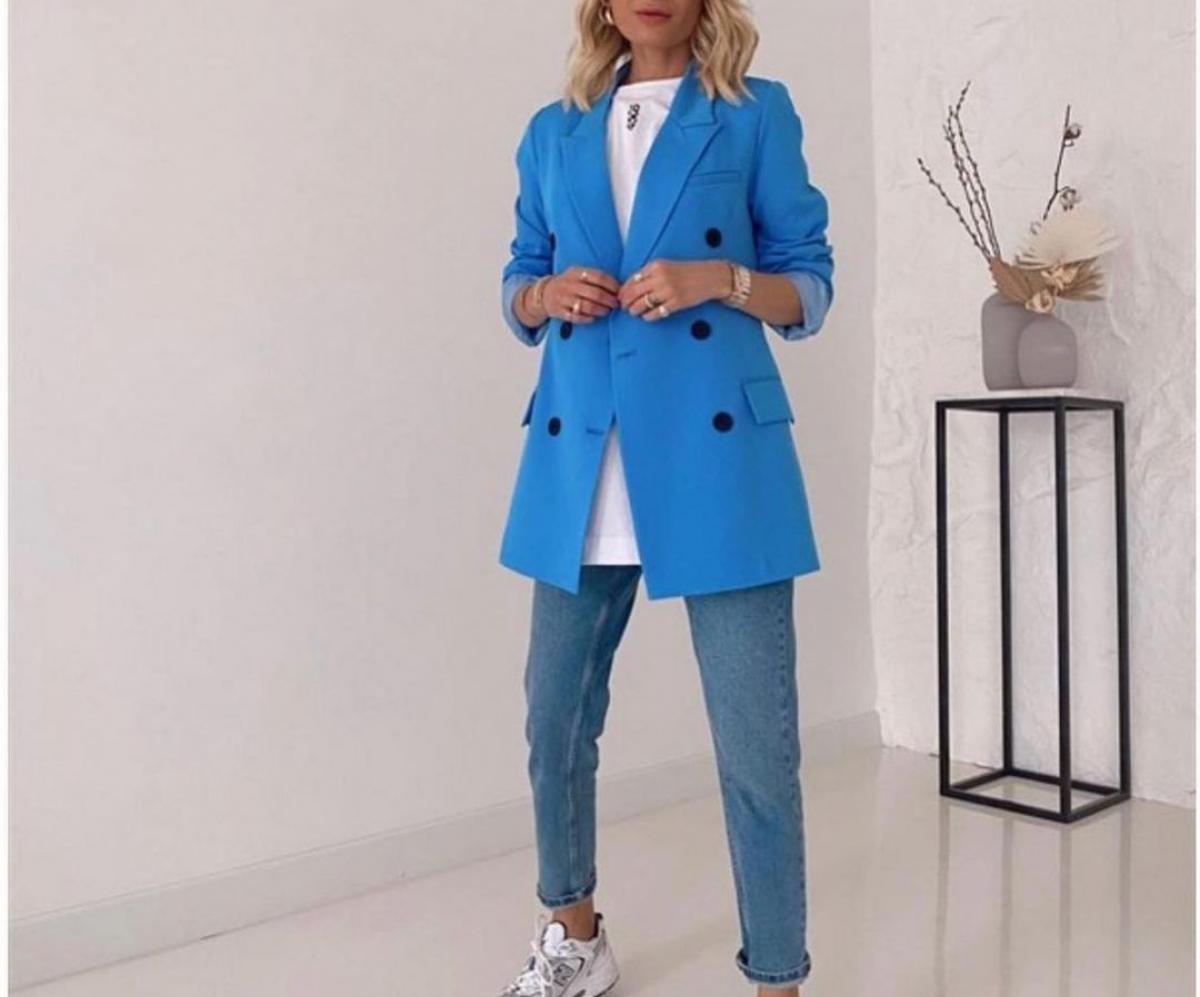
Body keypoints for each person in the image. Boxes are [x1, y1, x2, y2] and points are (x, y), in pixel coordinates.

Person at [495, 1, 834, 994]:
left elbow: (808, 285)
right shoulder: (553, 131)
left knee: (756, 750)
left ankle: (778, 978)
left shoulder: (755, 112)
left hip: (718, 464)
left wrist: (718, 277)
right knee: (554, 721)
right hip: (583, 461)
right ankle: (574, 934)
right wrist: (544, 295)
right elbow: (518, 278)